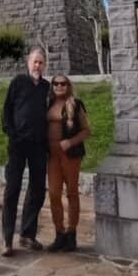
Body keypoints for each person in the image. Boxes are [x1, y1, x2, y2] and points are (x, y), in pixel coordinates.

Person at [0, 47, 49, 257]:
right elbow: (6, 111)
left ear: (44, 65)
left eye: (41, 62)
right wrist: (12, 134)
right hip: (18, 145)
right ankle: (7, 239)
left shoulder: (47, 87)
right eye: (35, 62)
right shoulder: (18, 82)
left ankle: (27, 234)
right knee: (12, 190)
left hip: (38, 145)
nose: (37, 65)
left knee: (37, 190)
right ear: (28, 63)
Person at [45, 74, 91, 252]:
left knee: (72, 193)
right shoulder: (48, 104)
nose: (59, 86)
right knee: (54, 194)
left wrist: (70, 142)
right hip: (53, 155)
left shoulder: (76, 104)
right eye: (55, 83)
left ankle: (71, 234)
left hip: (70, 155)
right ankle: (59, 233)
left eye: (63, 83)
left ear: (68, 86)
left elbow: (87, 131)